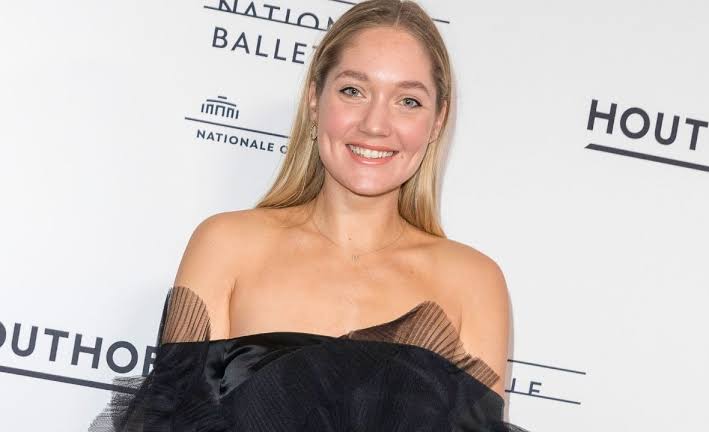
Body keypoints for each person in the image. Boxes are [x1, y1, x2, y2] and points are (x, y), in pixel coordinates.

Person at [89, 0, 531, 430]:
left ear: (437, 121)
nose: (375, 124)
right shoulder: (227, 246)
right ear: (315, 99)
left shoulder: (472, 282)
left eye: (408, 101)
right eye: (353, 91)